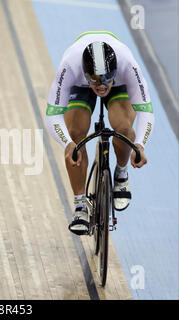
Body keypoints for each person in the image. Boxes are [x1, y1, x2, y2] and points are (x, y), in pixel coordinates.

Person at [45, 31, 155, 235]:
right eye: (95, 80)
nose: (102, 85)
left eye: (106, 79)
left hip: (119, 85)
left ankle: (121, 174)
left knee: (123, 130)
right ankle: (80, 206)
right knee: (76, 135)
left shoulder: (127, 64)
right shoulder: (70, 66)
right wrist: (68, 144)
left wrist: (139, 145)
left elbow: (146, 111)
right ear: (86, 73)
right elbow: (52, 115)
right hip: (80, 86)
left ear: (114, 71)